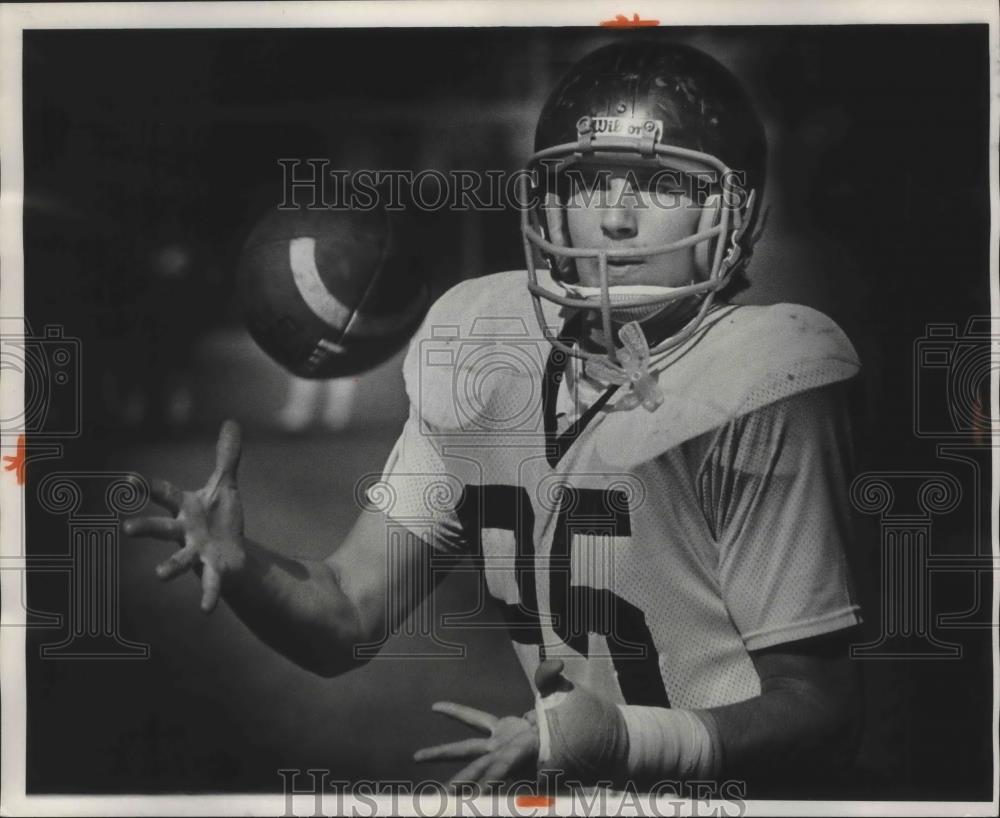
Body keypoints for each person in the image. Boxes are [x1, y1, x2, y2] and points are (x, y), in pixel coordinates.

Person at [125, 41, 863, 796]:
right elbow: (346, 612)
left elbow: (814, 707)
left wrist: (629, 741)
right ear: (550, 199)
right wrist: (246, 567)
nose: (615, 218)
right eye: (591, 181)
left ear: (735, 212)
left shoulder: (767, 378)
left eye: (661, 182)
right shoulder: (482, 342)